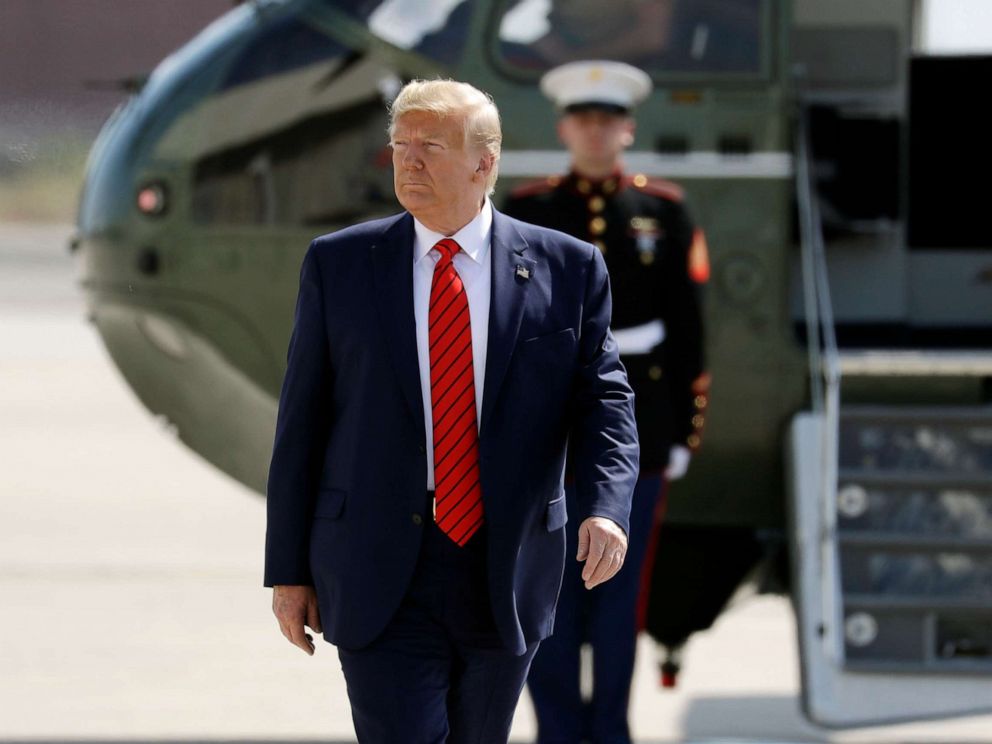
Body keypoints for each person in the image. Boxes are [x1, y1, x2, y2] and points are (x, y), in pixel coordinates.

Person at [264, 78, 640, 744]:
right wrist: (288, 572)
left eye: (430, 147)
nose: (407, 162)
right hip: (378, 568)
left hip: (506, 565)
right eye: (400, 146)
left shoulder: (569, 267)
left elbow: (605, 401)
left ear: (483, 162)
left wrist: (607, 508)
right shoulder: (340, 264)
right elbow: (302, 425)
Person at [503, 61, 709, 744]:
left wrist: (684, 430)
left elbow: (688, 330)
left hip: (640, 429)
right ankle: (558, 733)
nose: (595, 131)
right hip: (547, 431)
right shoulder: (528, 211)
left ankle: (611, 733)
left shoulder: (663, 213)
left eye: (607, 120)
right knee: (545, 596)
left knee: (619, 601)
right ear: (565, 127)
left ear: (627, 128)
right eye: (582, 120)